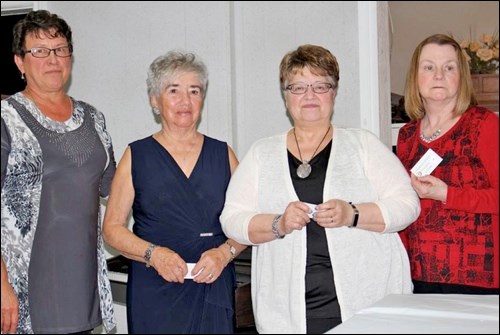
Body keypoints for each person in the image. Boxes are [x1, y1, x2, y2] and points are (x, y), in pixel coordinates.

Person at [220, 44, 421, 334]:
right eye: (298, 87)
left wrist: (352, 213)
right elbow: (232, 220)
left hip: (366, 304)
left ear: (334, 93)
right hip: (286, 312)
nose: (310, 95)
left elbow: (407, 204)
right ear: (285, 95)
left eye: (320, 85)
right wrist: (279, 223)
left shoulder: (362, 144)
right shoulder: (261, 153)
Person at [102, 50, 246, 334]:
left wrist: (224, 253)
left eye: (194, 91)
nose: (185, 101)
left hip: (212, 284)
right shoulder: (137, 155)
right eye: (174, 91)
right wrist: (153, 255)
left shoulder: (223, 154)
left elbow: (248, 223)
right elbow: (112, 229)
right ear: (155, 100)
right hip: (154, 288)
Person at [1, 10, 116, 334]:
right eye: (39, 51)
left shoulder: (93, 118)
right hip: (24, 289)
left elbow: (115, 187)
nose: (52, 59)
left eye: (60, 49)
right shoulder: (6, 119)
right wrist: (1, 286)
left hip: (83, 287)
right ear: (20, 62)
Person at [397, 34, 499, 294]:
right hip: (421, 274)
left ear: (461, 77)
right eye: (429, 67)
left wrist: (446, 194)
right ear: (415, 77)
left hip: (480, 279)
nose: (438, 75)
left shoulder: (484, 124)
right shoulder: (407, 136)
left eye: (449, 67)